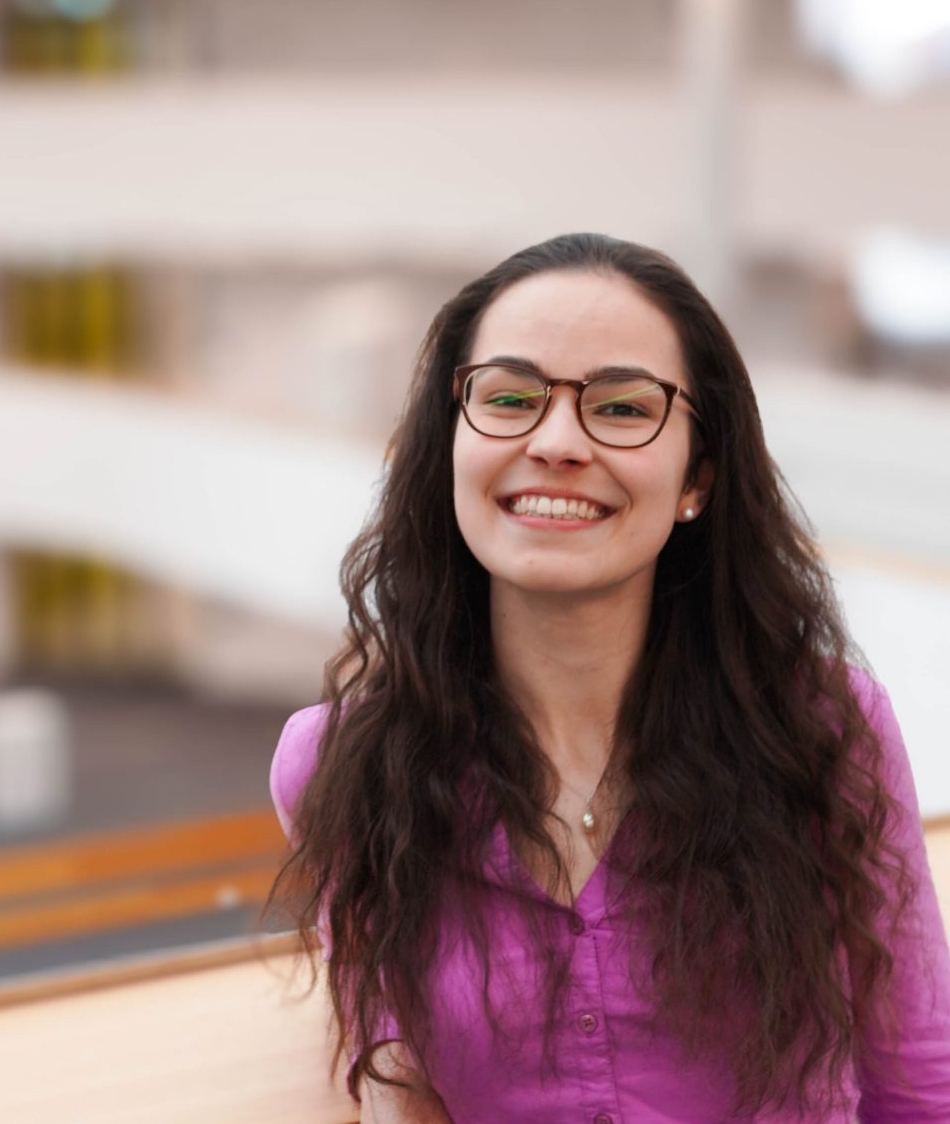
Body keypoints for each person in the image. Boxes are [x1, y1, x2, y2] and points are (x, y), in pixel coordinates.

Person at [269, 233, 950, 1122]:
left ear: (697, 474)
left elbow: (920, 1084)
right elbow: (385, 1049)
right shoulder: (343, 765)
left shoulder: (822, 728)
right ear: (451, 445)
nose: (556, 442)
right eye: (508, 397)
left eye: (623, 409)